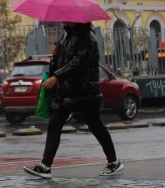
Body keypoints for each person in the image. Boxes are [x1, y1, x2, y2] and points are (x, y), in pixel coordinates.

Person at [23, 22, 123, 178]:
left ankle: (114, 162)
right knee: (54, 125)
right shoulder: (66, 36)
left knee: (96, 126)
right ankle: (45, 166)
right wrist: (55, 55)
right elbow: (60, 64)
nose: (63, 20)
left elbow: (77, 63)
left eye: (66, 18)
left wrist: (57, 77)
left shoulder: (88, 38)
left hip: (85, 92)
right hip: (66, 92)